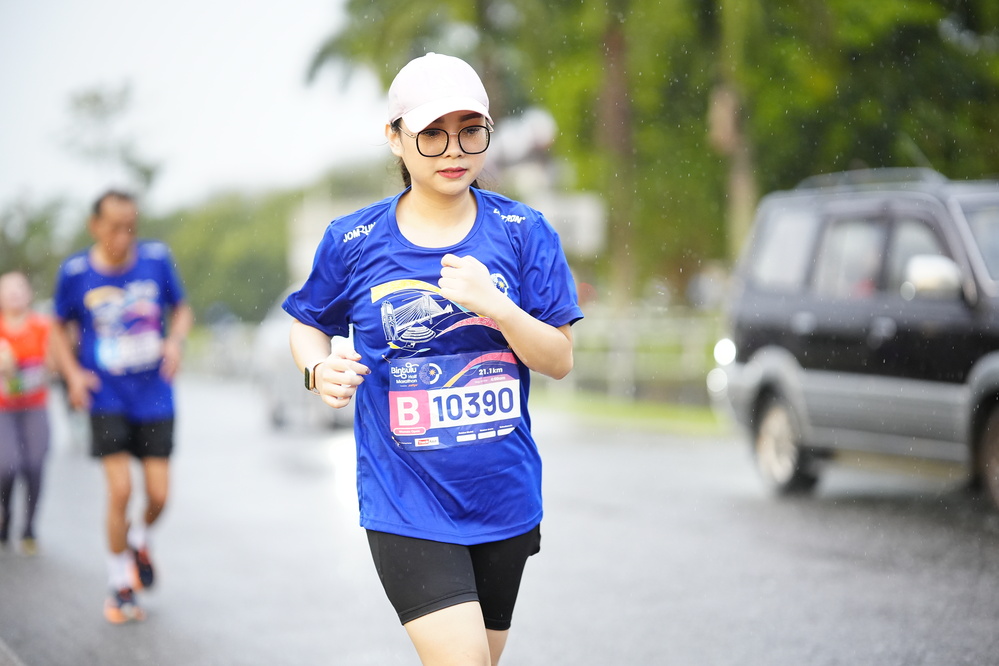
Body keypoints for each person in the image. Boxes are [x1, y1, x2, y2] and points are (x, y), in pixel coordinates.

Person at [283, 53, 583, 665]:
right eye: (432, 133)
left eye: (470, 131)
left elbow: (558, 359)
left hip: (504, 499)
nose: (454, 150)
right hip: (406, 503)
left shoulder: (523, 231)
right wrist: (317, 369)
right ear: (395, 138)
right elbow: (306, 323)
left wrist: (497, 306)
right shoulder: (353, 241)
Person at [50, 190, 194, 624]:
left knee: (159, 495)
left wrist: (175, 341)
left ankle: (139, 539)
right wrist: (73, 375)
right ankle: (119, 585)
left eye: (130, 226)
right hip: (106, 395)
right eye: (114, 227)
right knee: (120, 491)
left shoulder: (156, 259)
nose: (123, 236)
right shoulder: (76, 272)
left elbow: (181, 309)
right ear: (95, 226)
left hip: (154, 394)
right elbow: (57, 327)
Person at [0, 271, 54, 556]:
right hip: (4, 409)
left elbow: (56, 364)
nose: (14, 294)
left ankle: (30, 527)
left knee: (34, 464)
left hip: (34, 405)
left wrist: (49, 363)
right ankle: (5, 513)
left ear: (29, 294)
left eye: (19, 288)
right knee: (7, 466)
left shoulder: (43, 327)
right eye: (7, 289)